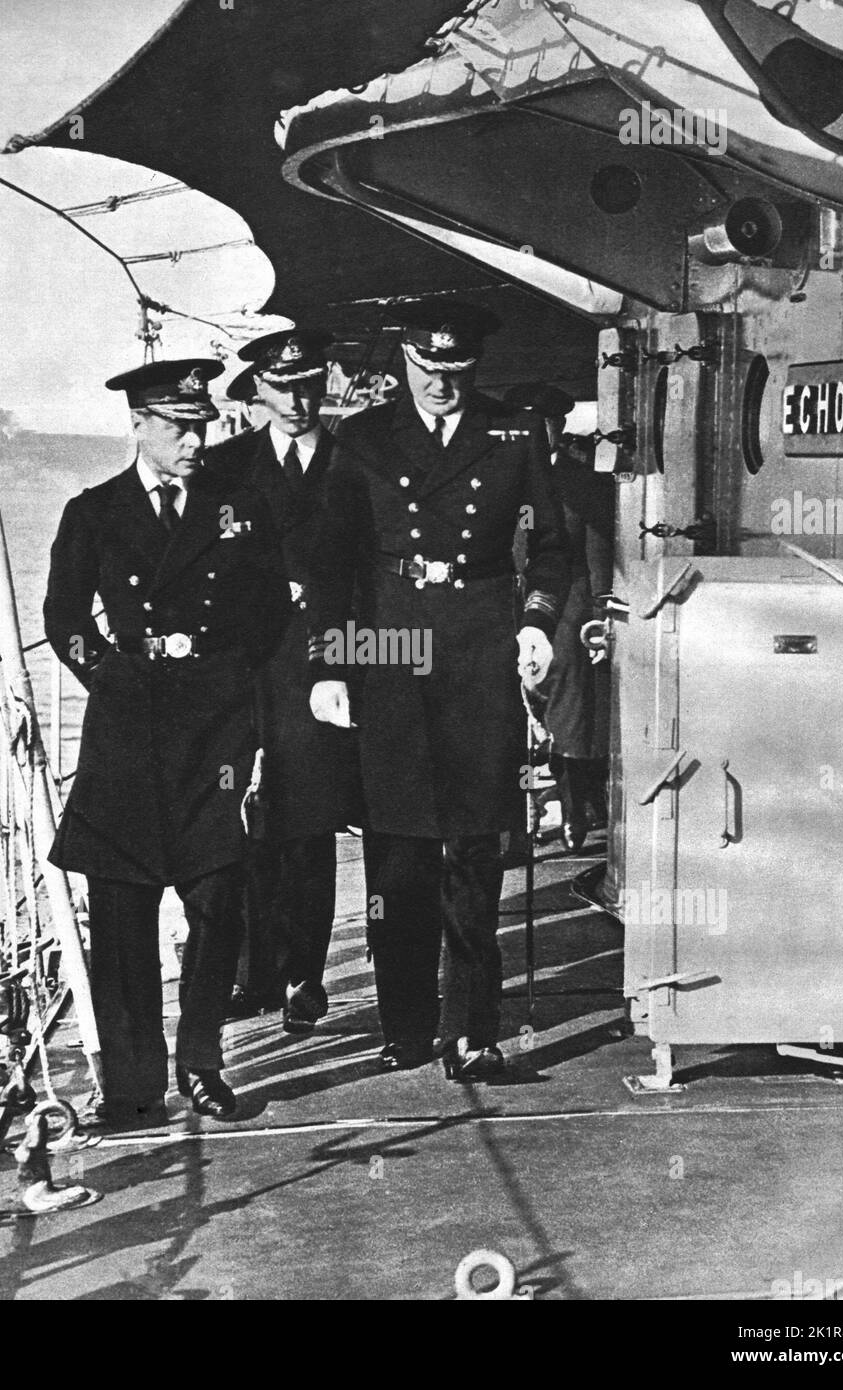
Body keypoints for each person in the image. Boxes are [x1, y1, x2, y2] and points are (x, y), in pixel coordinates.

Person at [308, 301, 571, 1080]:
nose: (442, 387)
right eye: (428, 372)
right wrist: (329, 664)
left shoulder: (514, 433)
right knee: (398, 855)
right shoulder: (360, 438)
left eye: (457, 373)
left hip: (477, 645)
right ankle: (407, 1025)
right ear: (404, 365)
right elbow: (332, 564)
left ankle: (472, 1032)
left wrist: (535, 623)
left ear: (473, 369)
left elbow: (552, 549)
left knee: (475, 846)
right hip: (390, 646)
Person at [43, 359, 291, 1125]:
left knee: (217, 899)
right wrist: (114, 680)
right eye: (180, 428)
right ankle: (132, 1086)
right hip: (127, 729)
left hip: (214, 727)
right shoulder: (94, 512)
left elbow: (269, 608)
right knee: (122, 911)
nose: (195, 440)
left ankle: (203, 1063)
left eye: (203, 425)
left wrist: (236, 688)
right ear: (141, 427)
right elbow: (65, 621)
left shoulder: (237, 507)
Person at [207, 329, 360, 1034]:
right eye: (281, 388)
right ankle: (252, 975)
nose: (297, 402)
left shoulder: (355, 461)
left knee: (307, 825)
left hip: (319, 666)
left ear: (324, 384)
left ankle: (305, 973)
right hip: (243, 668)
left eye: (308, 387)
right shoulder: (224, 468)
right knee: (241, 826)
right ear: (257, 391)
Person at [506, 384, 614, 850]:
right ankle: (514, 824)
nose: (536, 434)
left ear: (558, 428)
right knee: (508, 717)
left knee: (569, 715)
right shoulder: (495, 475)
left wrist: (597, 614)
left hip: (567, 607)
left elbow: (597, 551)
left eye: (545, 425)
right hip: (505, 605)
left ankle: (575, 813)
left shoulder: (580, 481)